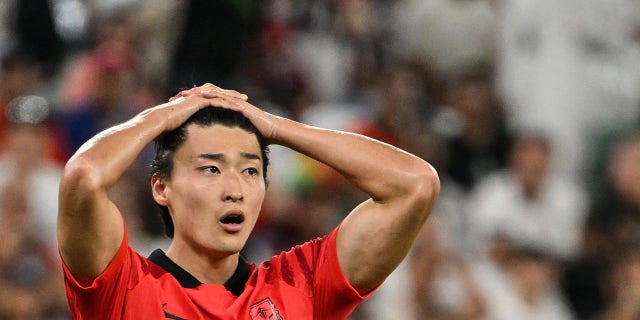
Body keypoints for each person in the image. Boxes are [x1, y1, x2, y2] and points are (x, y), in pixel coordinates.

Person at [57, 83, 440, 319]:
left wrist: (276, 127)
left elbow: (415, 185)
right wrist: (164, 116)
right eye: (211, 169)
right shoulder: (122, 286)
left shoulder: (301, 287)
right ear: (161, 188)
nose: (234, 188)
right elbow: (83, 176)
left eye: (250, 171)